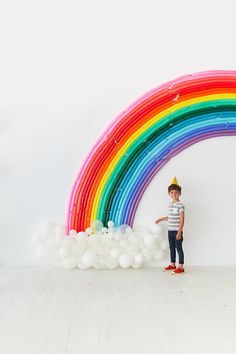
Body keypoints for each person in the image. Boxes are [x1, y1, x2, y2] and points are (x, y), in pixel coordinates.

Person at [155, 176, 185, 274]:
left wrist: (179, 232)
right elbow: (170, 217)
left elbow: (182, 219)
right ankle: (172, 264)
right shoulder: (170, 205)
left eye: (176, 192)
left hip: (177, 231)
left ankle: (181, 266)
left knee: (179, 248)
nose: (174, 194)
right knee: (171, 248)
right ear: (169, 194)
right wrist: (160, 219)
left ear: (180, 193)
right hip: (170, 230)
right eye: (172, 192)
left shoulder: (181, 205)